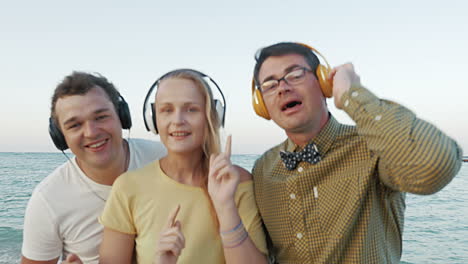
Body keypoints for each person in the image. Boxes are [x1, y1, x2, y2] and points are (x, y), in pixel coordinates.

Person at [250, 42, 463, 263]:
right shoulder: (262, 169)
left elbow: (436, 165)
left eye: (295, 75)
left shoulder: (373, 147)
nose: (283, 88)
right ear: (261, 104)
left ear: (324, 83)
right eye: (270, 84)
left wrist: (351, 95)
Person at [98, 69, 268, 264]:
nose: (178, 120)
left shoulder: (237, 182)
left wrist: (225, 207)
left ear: (211, 117)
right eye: (167, 110)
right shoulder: (128, 186)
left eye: (191, 109)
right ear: (154, 120)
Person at [21, 72, 166, 264]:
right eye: (75, 125)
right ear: (60, 137)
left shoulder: (164, 158)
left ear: (122, 116)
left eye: (101, 117)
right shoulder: (48, 200)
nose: (91, 132)